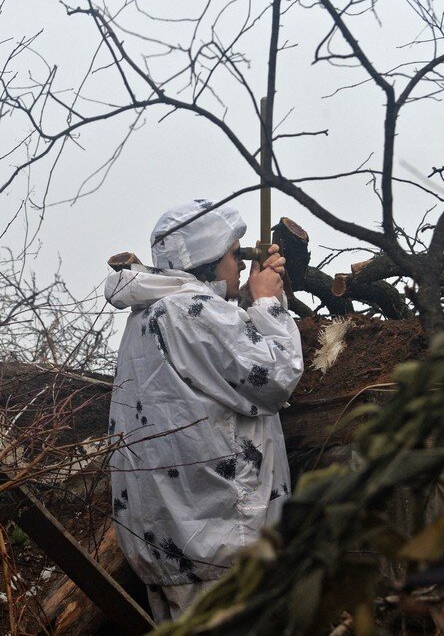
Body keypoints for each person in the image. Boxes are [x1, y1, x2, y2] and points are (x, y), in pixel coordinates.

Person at [104, 200, 304, 622]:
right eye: (235, 255)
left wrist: (244, 303)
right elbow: (275, 376)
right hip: (222, 547)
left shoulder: (152, 313)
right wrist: (268, 304)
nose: (239, 265)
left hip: (173, 546)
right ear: (208, 260)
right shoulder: (193, 312)